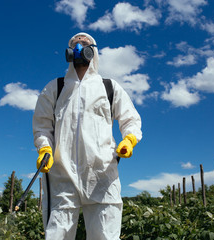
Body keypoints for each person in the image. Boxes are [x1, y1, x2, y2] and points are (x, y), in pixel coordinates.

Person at [32, 32, 142, 240]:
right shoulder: (55, 88)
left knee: (106, 236)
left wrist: (129, 139)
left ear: (94, 51)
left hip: (101, 174)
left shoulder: (109, 87)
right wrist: (45, 148)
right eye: (75, 44)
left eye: (85, 44)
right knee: (57, 235)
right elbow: (42, 125)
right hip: (61, 175)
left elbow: (131, 119)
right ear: (69, 52)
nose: (79, 47)